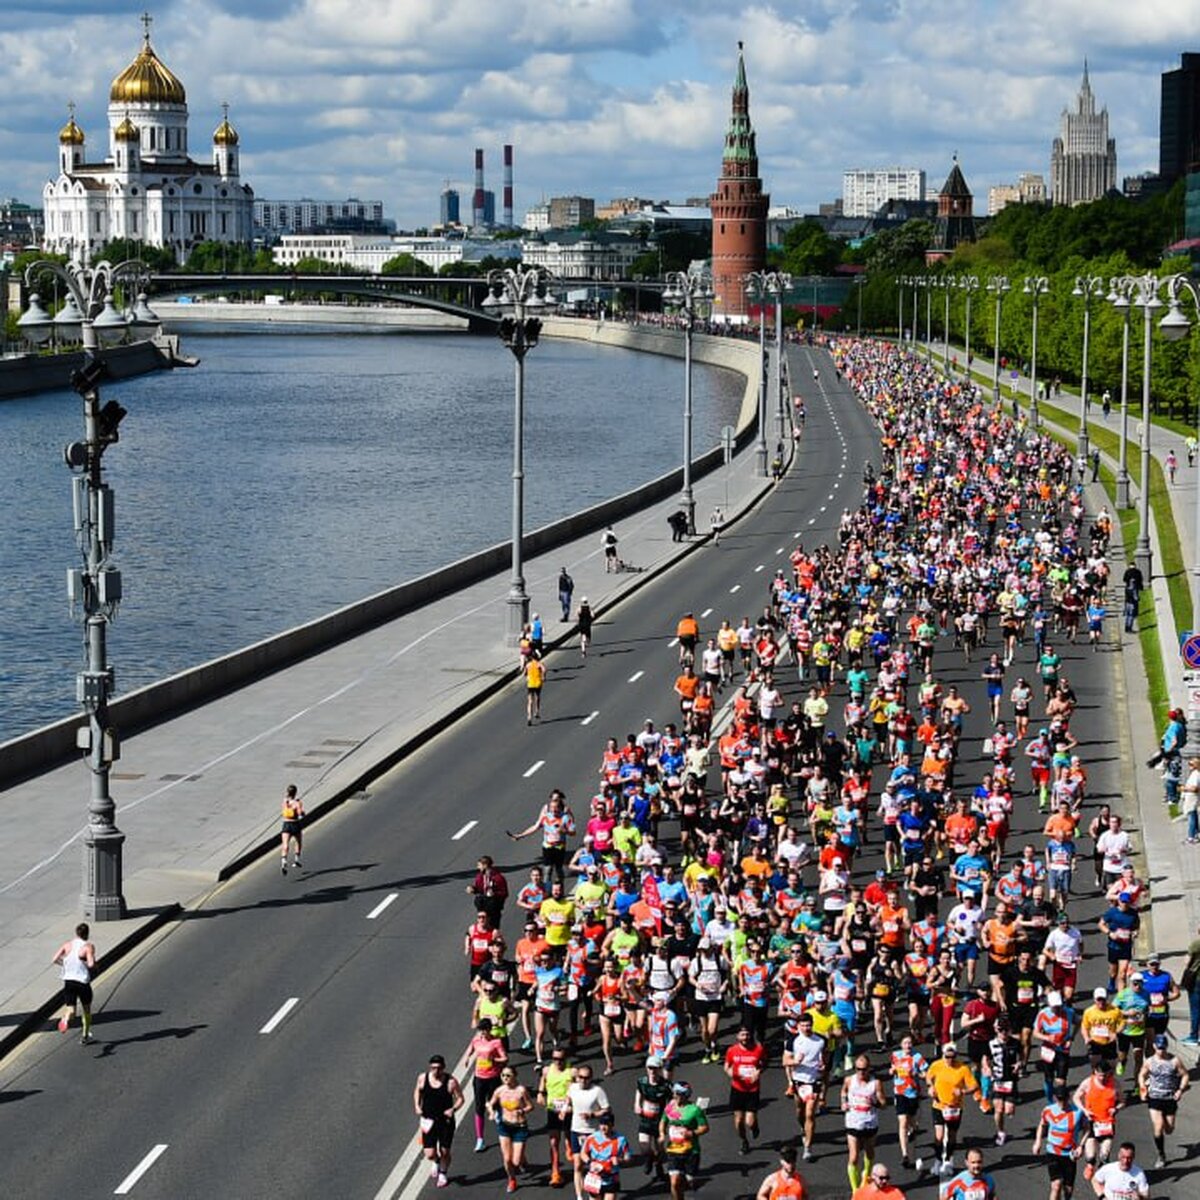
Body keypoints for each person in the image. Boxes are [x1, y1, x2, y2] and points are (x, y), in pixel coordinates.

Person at [1136, 1034, 1188, 1167]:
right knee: (1158, 1127)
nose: (1161, 1051)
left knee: (1169, 1129)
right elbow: (1142, 1075)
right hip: (1154, 1098)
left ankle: (1165, 1120)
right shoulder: (1149, 1061)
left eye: (1163, 1048)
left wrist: (1180, 1090)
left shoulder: (1174, 1061)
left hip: (1169, 1098)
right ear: (1154, 1046)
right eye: (1159, 1048)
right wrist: (1143, 1088)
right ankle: (1161, 1154)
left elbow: (1185, 1075)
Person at [414, 1054, 464, 1189]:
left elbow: (460, 1099)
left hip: (445, 1121)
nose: (436, 1071)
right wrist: (417, 1106)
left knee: (445, 1151)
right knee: (429, 1153)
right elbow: (417, 1091)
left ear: (443, 1067)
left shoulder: (451, 1082)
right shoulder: (423, 1078)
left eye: (439, 1068)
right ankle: (436, 1161)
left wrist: (453, 1109)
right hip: (428, 1120)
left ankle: (443, 1172)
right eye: (433, 1068)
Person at [841, 1053, 887, 1192]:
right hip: (853, 1122)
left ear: (869, 1069)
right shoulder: (849, 1080)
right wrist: (843, 1103)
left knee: (869, 1153)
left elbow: (884, 1104)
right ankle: (855, 1190)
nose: (861, 1072)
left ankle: (865, 1176)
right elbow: (843, 1092)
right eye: (858, 1069)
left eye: (864, 1069)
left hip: (869, 1122)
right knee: (853, 1156)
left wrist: (874, 1102)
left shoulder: (875, 1083)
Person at [1033, 1085, 1088, 1200]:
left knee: (1068, 1190)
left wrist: (1081, 1146)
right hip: (1053, 1152)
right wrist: (1037, 1141)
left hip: (1069, 1154)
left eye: (1064, 1099)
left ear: (1068, 1097)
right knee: (1056, 1185)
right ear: (1055, 1098)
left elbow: (1087, 1129)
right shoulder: (1048, 1110)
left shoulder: (1077, 1112)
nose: (1061, 1102)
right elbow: (1042, 1124)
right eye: (1059, 1099)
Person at [489, 1065, 534, 1192]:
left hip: (520, 1127)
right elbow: (490, 1103)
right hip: (505, 1126)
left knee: (516, 1161)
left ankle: (522, 1159)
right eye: (503, 1075)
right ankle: (512, 1179)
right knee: (507, 1159)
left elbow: (531, 1106)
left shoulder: (521, 1090)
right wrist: (491, 1112)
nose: (505, 1078)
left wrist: (522, 1110)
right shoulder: (499, 1091)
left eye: (508, 1075)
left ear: (514, 1076)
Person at [660, 1080, 708, 1199]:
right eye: (674, 1093)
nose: (674, 1095)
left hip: (691, 1151)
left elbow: (705, 1127)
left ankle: (691, 1181)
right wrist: (661, 1134)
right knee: (675, 1182)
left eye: (678, 1093)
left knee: (688, 1180)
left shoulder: (695, 1110)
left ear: (685, 1095)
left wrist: (691, 1133)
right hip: (673, 1150)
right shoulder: (670, 1106)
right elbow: (663, 1121)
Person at [568, 1063, 611, 1197]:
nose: (583, 1080)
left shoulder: (597, 1091)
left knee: (594, 1166)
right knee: (577, 1165)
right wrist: (564, 1109)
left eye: (586, 1078)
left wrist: (592, 1115)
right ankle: (579, 1196)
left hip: (592, 1133)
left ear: (591, 1078)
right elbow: (568, 1101)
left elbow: (607, 1109)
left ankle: (596, 1192)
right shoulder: (573, 1088)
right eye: (580, 1077)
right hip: (576, 1130)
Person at [724, 1024, 767, 1155]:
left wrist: (758, 1072)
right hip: (737, 1089)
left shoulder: (758, 1049)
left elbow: (764, 1063)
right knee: (738, 1120)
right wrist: (730, 1073)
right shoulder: (732, 1050)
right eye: (742, 1035)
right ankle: (744, 1142)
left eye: (747, 1034)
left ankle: (755, 1127)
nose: (745, 1037)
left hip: (752, 1090)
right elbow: (727, 1066)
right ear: (737, 1036)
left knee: (749, 1121)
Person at [52, 922, 96, 1044]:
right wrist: (91, 963)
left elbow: (54, 959)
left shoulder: (67, 945)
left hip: (68, 982)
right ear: (87, 934)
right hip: (82, 982)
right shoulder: (88, 946)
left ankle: (66, 1019)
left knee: (71, 1010)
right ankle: (85, 1036)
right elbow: (91, 964)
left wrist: (65, 964)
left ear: (76, 933)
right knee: (86, 1010)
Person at [470, 1017, 508, 1152]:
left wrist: (494, 1059)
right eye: (480, 1031)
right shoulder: (476, 1040)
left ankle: (503, 1132)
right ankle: (480, 1139)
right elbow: (472, 1048)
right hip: (479, 1078)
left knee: (496, 1106)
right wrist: (468, 1058)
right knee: (479, 1107)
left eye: (484, 1031)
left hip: (493, 1078)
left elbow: (505, 1058)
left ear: (489, 1030)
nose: (482, 1034)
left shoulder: (496, 1042)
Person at [537, 1047, 573, 1187]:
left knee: (569, 1134)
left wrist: (568, 1105)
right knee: (553, 1142)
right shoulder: (547, 1070)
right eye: (555, 1059)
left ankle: (569, 1144)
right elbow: (543, 1079)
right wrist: (540, 1093)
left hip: (568, 1109)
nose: (558, 1062)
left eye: (560, 1059)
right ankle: (555, 1173)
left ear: (566, 1059)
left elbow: (574, 1089)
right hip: (552, 1109)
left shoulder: (571, 1072)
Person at [633, 1055, 672, 1179]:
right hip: (645, 1119)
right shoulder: (642, 1081)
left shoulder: (665, 1085)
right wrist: (637, 1104)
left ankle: (659, 1167)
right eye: (650, 1068)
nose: (652, 1071)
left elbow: (671, 1102)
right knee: (644, 1147)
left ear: (660, 1069)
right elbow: (639, 1091)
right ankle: (649, 1158)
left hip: (659, 1120)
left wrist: (669, 1117)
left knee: (660, 1148)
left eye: (655, 1068)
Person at [579, 1110, 631, 1200]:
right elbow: (583, 1153)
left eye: (606, 1124)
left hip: (611, 1179)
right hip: (595, 1178)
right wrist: (590, 1162)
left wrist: (620, 1160)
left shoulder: (621, 1140)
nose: (603, 1127)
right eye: (601, 1124)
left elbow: (628, 1157)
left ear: (612, 1125)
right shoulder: (592, 1138)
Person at [467, 855, 509, 928]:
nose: (478, 867)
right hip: (482, 906)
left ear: (485, 865)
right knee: (482, 926)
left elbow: (504, 893)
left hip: (494, 907)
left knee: (493, 927)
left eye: (479, 865)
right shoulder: (479, 877)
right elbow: (479, 889)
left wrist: (494, 894)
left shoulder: (498, 878)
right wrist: (473, 889)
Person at [280, 783, 304, 874]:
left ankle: (284, 862)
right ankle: (296, 861)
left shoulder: (284, 801)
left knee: (285, 845)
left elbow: (283, 811)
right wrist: (302, 813)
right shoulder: (297, 803)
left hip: (286, 824)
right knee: (298, 842)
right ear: (295, 792)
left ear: (288, 792)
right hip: (295, 824)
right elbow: (300, 813)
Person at [525, 652, 545, 724]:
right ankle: (537, 711)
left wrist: (527, 676)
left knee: (530, 701)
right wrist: (543, 676)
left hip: (530, 684)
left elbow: (525, 673)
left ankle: (529, 717)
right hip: (538, 683)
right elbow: (544, 669)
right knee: (537, 697)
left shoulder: (528, 665)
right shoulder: (539, 664)